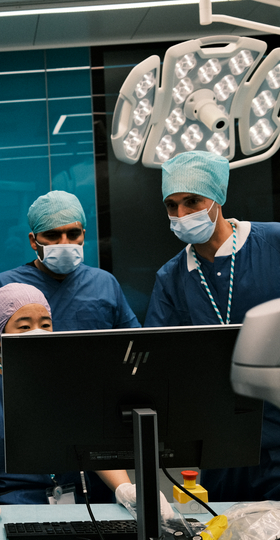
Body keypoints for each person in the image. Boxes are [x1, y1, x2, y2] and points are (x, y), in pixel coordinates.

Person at [0, 283, 172, 525]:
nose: (38, 332)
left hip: (81, 510)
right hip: (9, 510)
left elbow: (96, 449)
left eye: (45, 324)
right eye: (24, 326)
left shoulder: (75, 381)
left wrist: (125, 489)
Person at [145, 150, 280, 502]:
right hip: (223, 443)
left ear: (217, 197)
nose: (181, 215)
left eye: (192, 201)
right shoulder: (171, 278)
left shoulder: (273, 244)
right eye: (171, 206)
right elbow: (159, 362)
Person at [0, 190, 140, 366]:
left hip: (96, 389)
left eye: (73, 234)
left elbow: (134, 345)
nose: (64, 243)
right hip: (28, 389)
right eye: (52, 235)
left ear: (83, 236)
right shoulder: (4, 285)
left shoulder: (104, 283)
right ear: (33, 241)